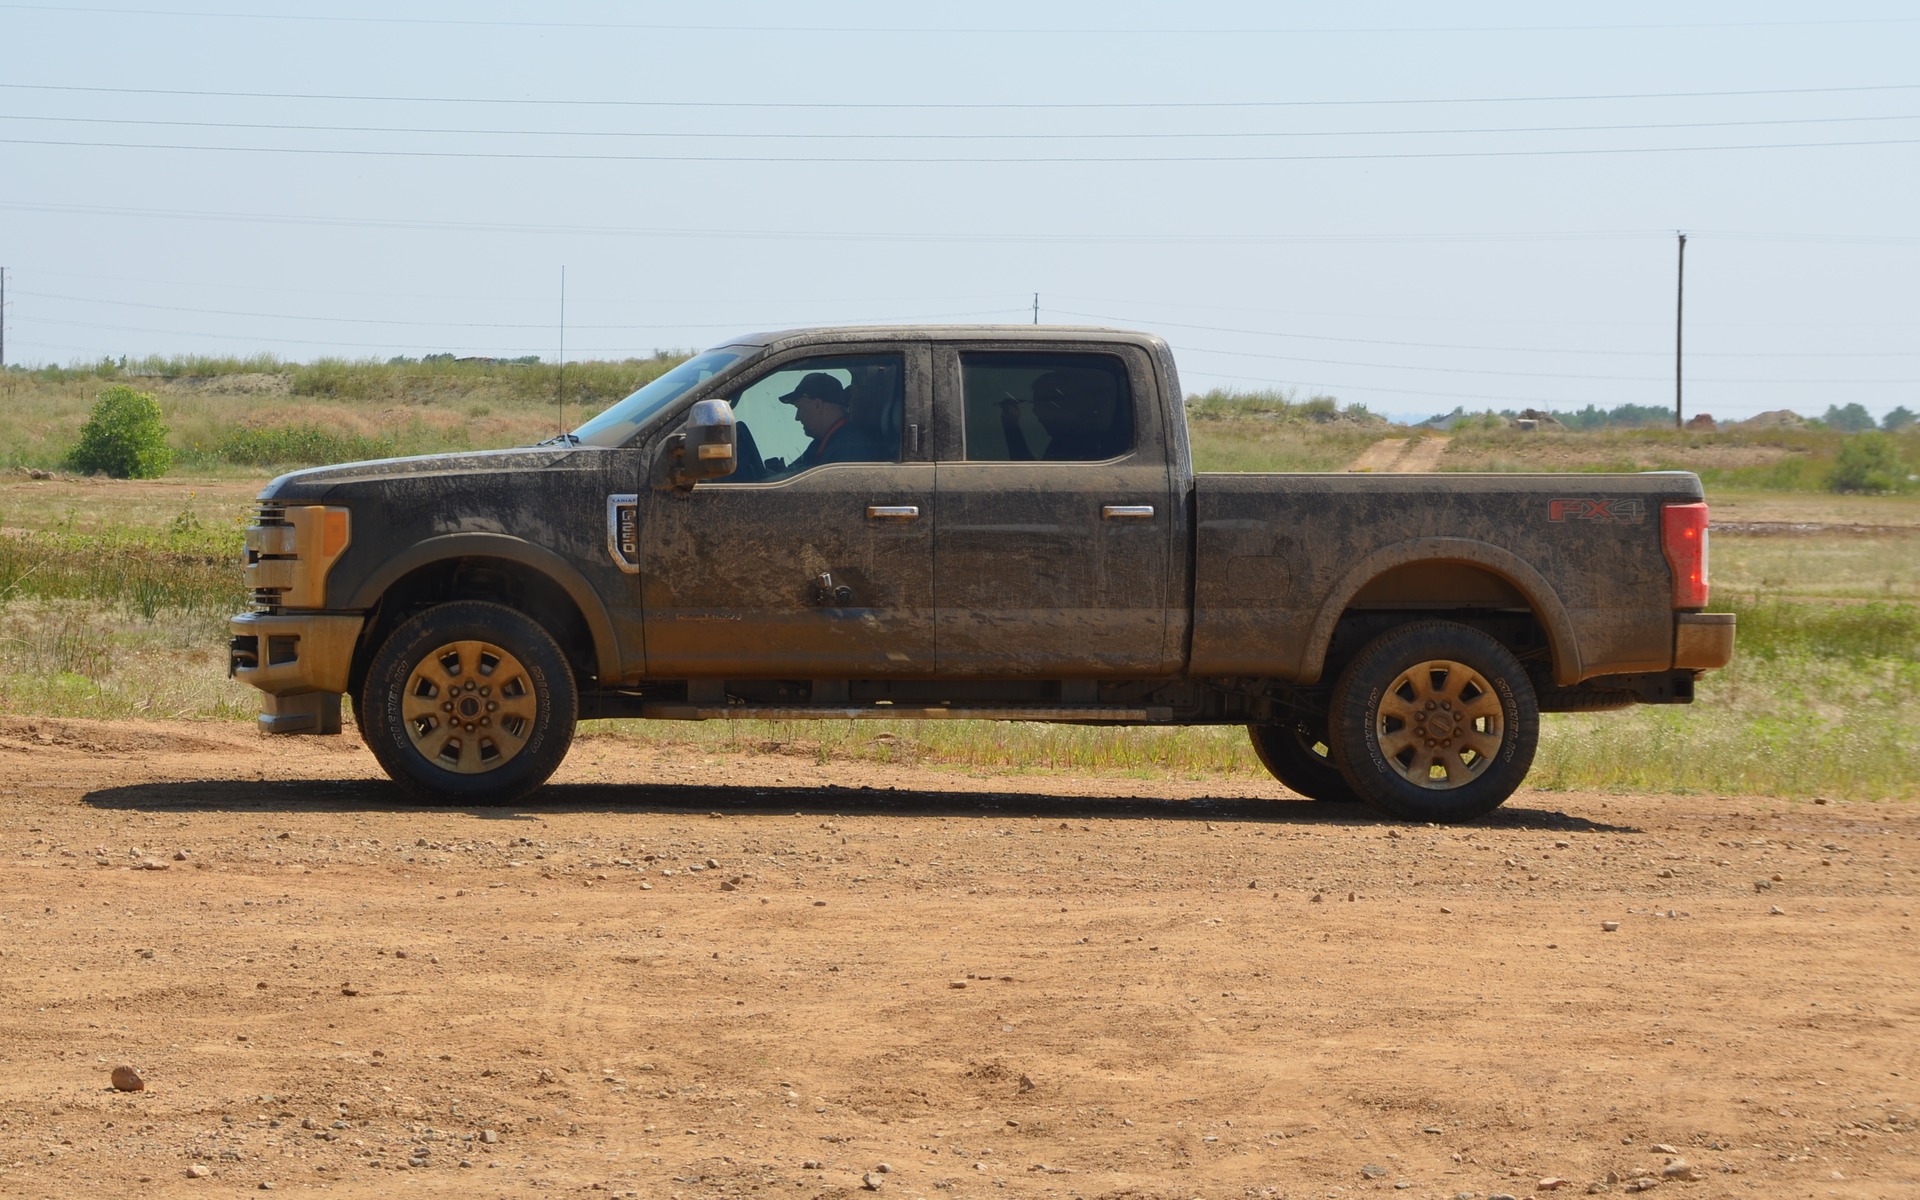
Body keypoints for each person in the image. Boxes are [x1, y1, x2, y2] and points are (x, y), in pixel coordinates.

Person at [766, 372, 888, 477]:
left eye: (800, 408)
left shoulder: (851, 449)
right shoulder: (821, 443)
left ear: (818, 405)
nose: (797, 417)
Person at [999, 369, 1131, 462]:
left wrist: (1011, 428)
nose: (1035, 411)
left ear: (1063, 404)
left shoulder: (1082, 445)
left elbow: (1036, 481)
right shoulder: (1066, 439)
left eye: (1041, 403)